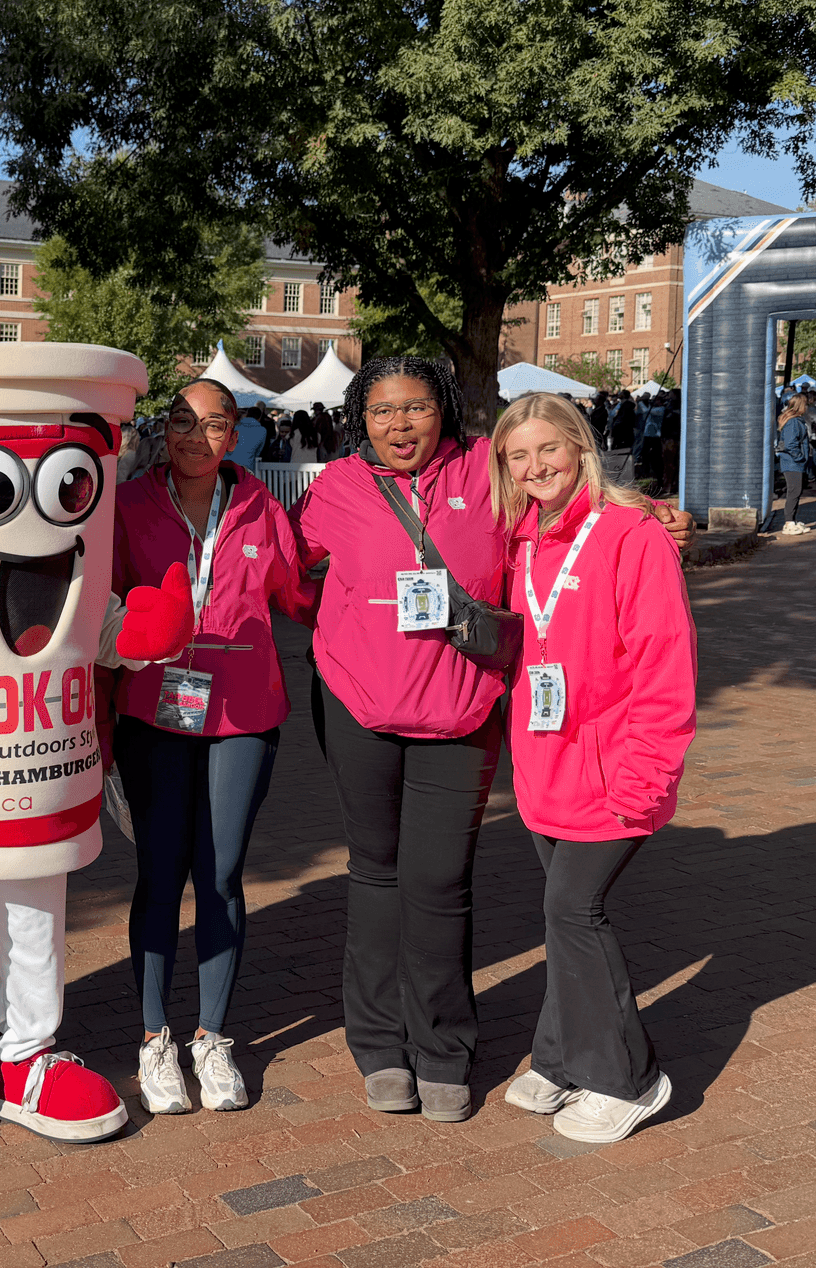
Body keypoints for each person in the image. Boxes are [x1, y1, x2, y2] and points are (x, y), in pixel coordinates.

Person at [289, 356, 690, 1122]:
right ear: (359, 418)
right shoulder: (334, 487)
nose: (399, 424)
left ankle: (444, 1046)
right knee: (374, 878)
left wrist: (663, 514)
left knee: (440, 884)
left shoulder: (487, 471)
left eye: (415, 407)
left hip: (461, 710)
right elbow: (285, 570)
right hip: (358, 708)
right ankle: (377, 1043)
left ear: (443, 409)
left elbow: (568, 500)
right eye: (381, 411)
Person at [489, 393, 693, 1144]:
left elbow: (664, 664)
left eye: (549, 449)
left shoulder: (631, 534)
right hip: (545, 765)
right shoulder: (522, 537)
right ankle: (562, 1056)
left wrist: (645, 776)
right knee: (561, 913)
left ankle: (628, 1078)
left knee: (575, 912)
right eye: (519, 455)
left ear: (580, 447)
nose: (536, 466)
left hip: (617, 768)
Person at [112, 379, 314, 1114]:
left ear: (239, 436)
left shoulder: (260, 505)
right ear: (163, 431)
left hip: (244, 712)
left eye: (215, 424)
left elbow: (300, 593)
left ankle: (212, 1037)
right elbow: (99, 604)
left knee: (222, 874)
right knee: (160, 873)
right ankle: (153, 1038)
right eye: (182, 422)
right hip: (154, 711)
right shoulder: (129, 506)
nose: (196, 437)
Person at [773, 395, 812, 535]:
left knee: (795, 491)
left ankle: (792, 521)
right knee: (794, 492)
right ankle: (789, 523)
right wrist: (800, 457)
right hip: (793, 462)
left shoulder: (793, 420)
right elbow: (790, 444)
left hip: (793, 462)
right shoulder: (794, 422)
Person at [229, 404, 267, 471]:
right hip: (247, 466)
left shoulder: (235, 427)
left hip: (228, 463)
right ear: (259, 417)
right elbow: (258, 451)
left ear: (247, 414)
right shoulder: (262, 431)